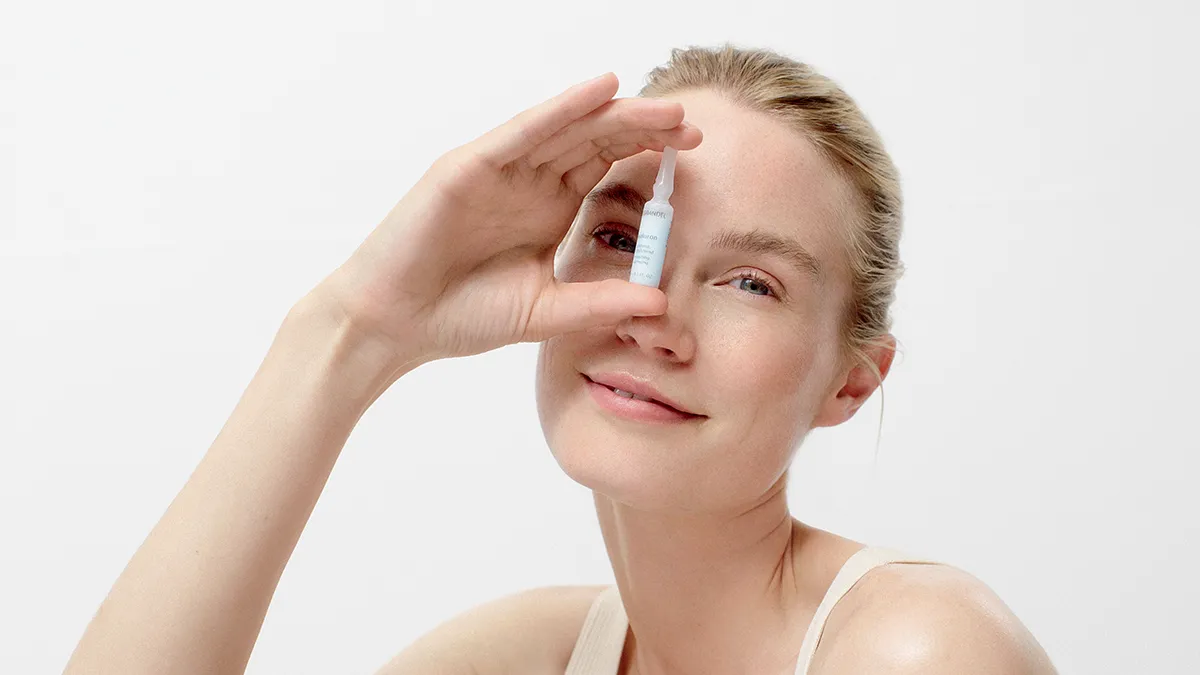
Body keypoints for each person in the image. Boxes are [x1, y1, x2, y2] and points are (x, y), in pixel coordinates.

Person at [63, 45, 1057, 675]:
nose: (649, 314)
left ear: (853, 379)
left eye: (751, 283)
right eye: (622, 240)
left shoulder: (917, 649)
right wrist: (350, 331)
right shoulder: (523, 654)